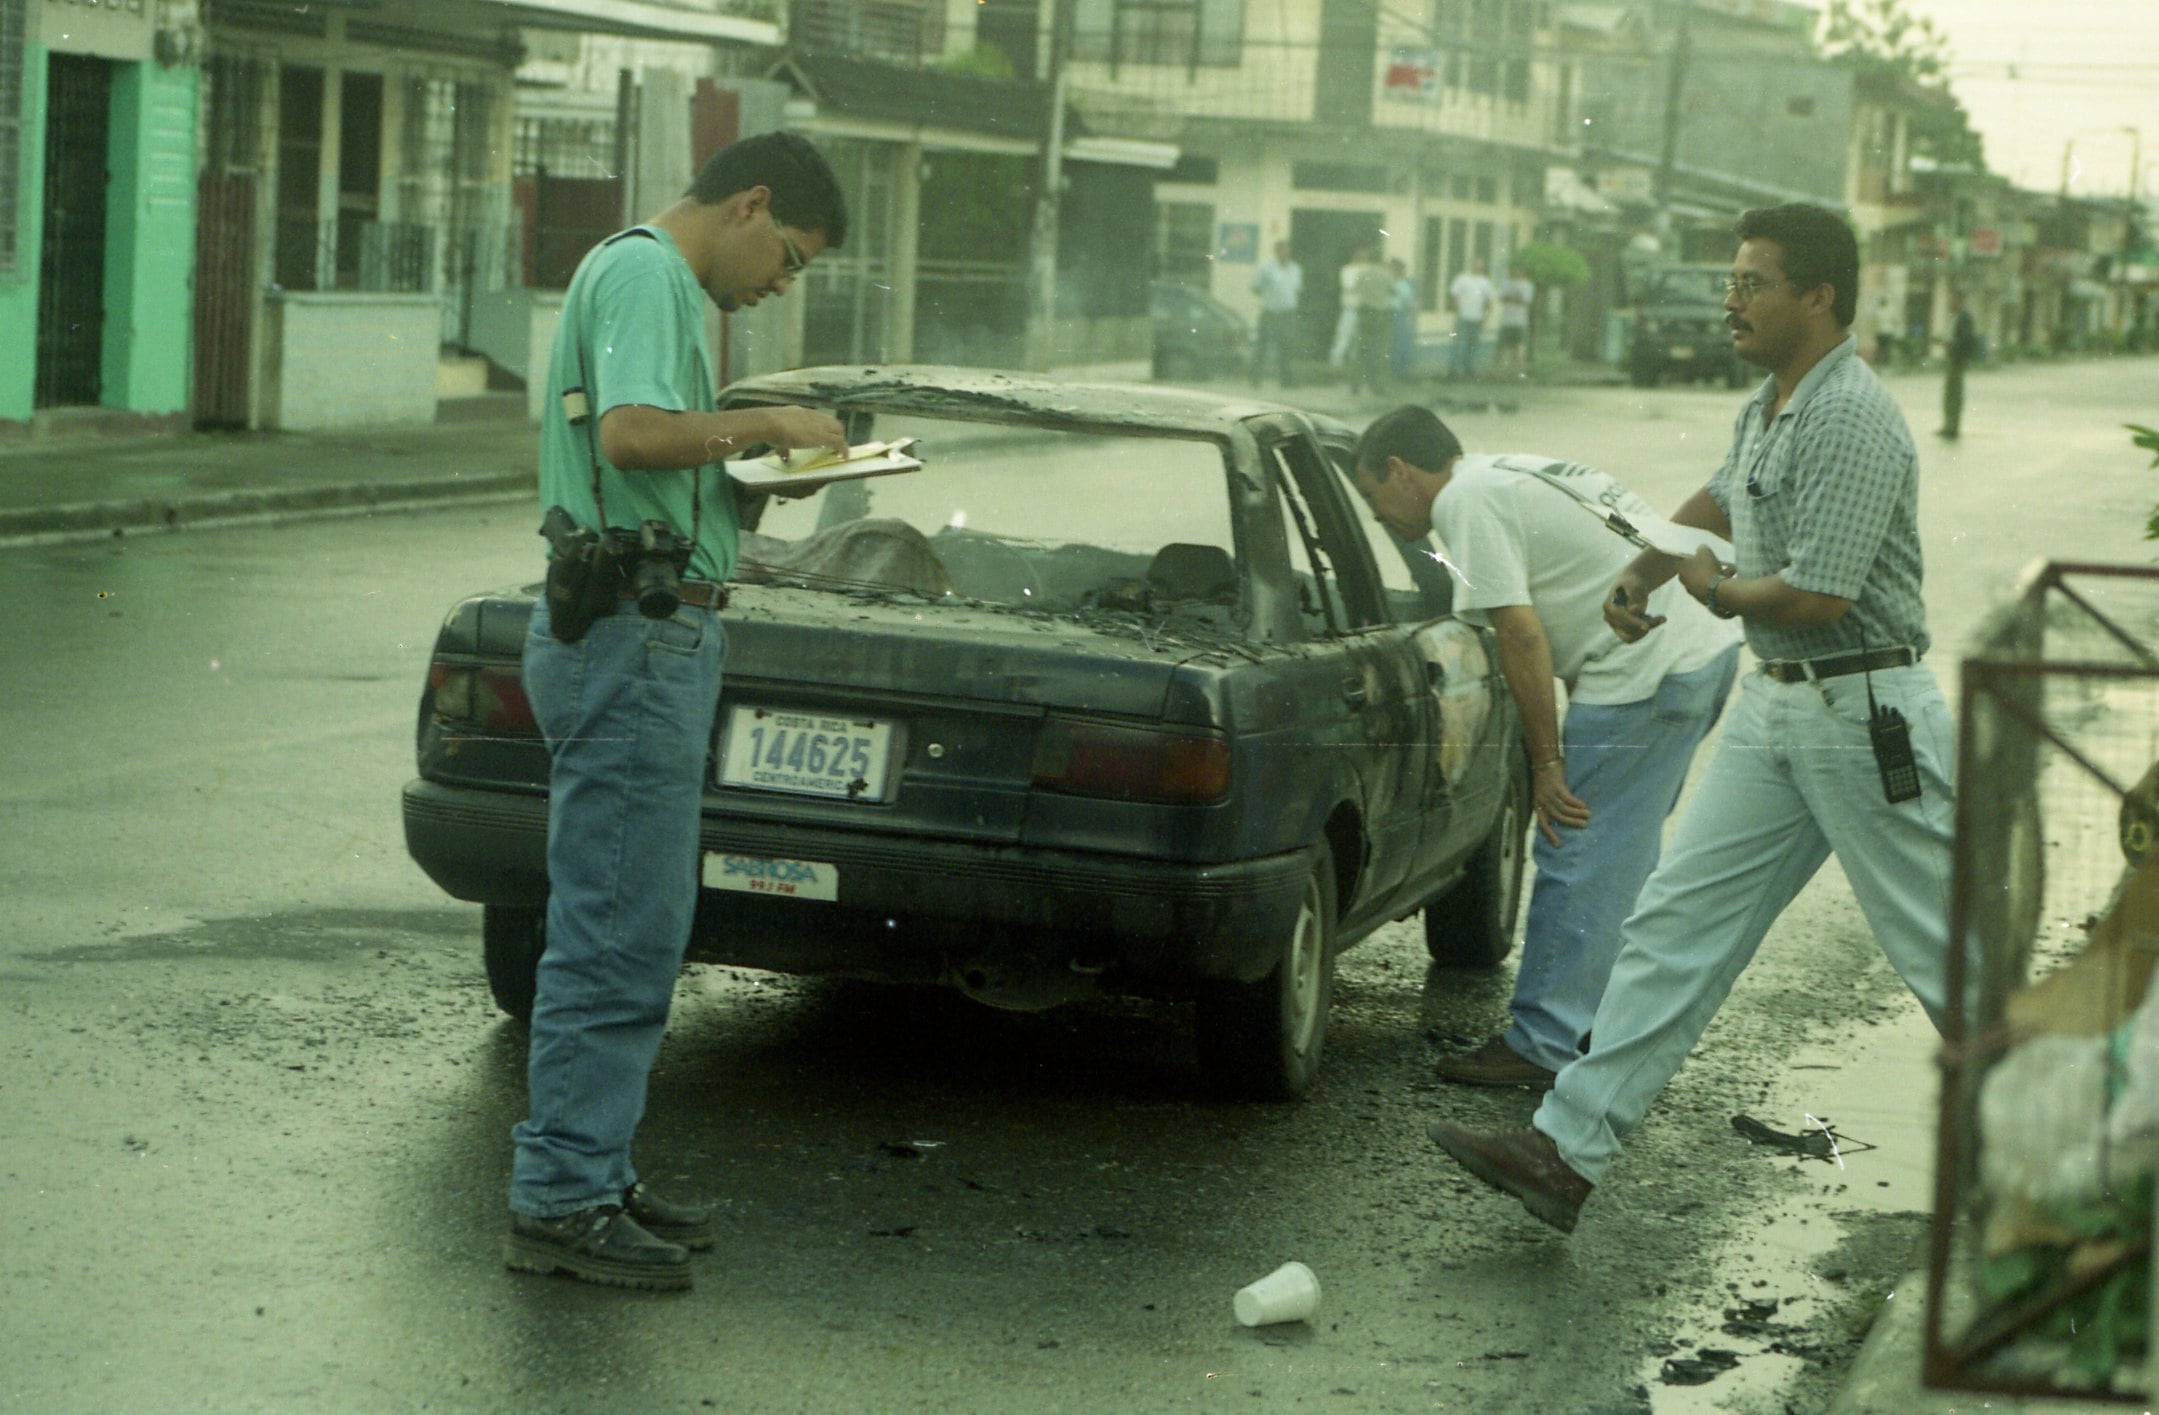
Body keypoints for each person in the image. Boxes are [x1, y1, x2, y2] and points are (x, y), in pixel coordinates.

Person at [1427, 202, 1959, 1234]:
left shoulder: (1851, 415)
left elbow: (1818, 593)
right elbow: (1718, 497)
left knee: (1941, 946)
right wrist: (1644, 565)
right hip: (1775, 706)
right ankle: (1560, 1149)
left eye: (1751, 282)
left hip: (1861, 708)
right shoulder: (1771, 403)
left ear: (1818, 295)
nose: (1730, 299)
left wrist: (1711, 593)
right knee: (1672, 923)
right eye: (1730, 280)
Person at [508, 130, 851, 1290]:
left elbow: (649, 462)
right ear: (749, 203)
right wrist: (765, 424)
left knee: (633, 919)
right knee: (616, 926)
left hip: (639, 631)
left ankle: (591, 1167)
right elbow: (631, 434)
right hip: (631, 636)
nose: (777, 286)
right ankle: (560, 1195)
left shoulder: (634, 274)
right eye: (790, 258)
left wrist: (744, 478)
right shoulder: (653, 273)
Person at [1352, 409, 1741, 1091]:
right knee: (1616, 859)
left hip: (1644, 671)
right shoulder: (1506, 472)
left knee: (1573, 843)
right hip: (1693, 654)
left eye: (1372, 496)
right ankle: (1596, 1030)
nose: (1378, 515)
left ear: (1398, 471)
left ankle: (1542, 1044)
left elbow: (1522, 636)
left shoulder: (1463, 503)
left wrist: (1547, 765)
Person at [1249, 240, 1302, 388]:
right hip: (1270, 312)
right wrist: (1269, 296)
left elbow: (1297, 289)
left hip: (1287, 313)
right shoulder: (1266, 268)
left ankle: (1286, 381)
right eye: (1282, 250)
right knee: (1262, 347)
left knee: (1286, 347)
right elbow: (1255, 287)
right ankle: (1255, 380)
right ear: (1277, 252)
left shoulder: (1295, 269)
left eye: (1287, 250)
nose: (1285, 253)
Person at [1348, 250, 1396, 396]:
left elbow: (1355, 289)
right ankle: (1378, 386)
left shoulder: (1362, 273)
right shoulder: (1386, 274)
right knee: (1380, 352)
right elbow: (1393, 291)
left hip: (1364, 313)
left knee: (1361, 350)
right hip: (1380, 314)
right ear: (1381, 260)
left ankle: (1355, 386)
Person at [1448, 258, 1497, 379]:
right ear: (1471, 265)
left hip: (1477, 319)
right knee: (1459, 345)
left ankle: (1469, 370)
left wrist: (1485, 318)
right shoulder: (1462, 279)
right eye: (1476, 265)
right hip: (1463, 318)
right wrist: (1458, 312)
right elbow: (1454, 296)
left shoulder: (1486, 282)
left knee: (1473, 346)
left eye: (1480, 266)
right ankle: (1453, 371)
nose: (1478, 267)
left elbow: (1489, 302)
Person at [1939, 290, 1978, 438]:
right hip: (1952, 357)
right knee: (1949, 393)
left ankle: (1953, 426)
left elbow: (1966, 339)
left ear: (1959, 301)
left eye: (1952, 300)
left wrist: (1952, 345)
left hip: (1957, 359)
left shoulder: (1965, 317)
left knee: (1954, 393)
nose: (1950, 303)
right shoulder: (1954, 316)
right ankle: (1948, 424)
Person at [1329, 247, 1371, 369]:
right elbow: (1348, 286)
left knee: (1359, 338)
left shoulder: (1368, 269)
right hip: (1350, 308)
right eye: (1360, 256)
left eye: (1364, 256)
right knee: (1343, 335)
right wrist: (1363, 285)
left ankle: (1354, 364)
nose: (1362, 259)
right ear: (1354, 256)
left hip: (1364, 308)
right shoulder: (1347, 270)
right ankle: (1336, 360)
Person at [1495, 261, 1534, 374]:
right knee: (1500, 346)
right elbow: (1501, 298)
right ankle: (1496, 370)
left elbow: (1525, 301)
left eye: (1519, 270)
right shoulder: (1506, 283)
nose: (1517, 272)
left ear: (1523, 272)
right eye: (1515, 270)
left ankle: (1516, 370)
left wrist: (1511, 298)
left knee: (1518, 347)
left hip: (1520, 321)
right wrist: (1514, 298)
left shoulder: (1527, 285)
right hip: (1506, 321)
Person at [1388, 258, 1419, 381]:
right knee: (1392, 343)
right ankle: (1393, 370)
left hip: (1401, 314)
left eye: (1393, 268)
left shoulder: (1405, 283)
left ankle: (1402, 371)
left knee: (1402, 343)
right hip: (1390, 314)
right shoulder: (1389, 282)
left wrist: (1411, 312)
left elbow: (1410, 300)